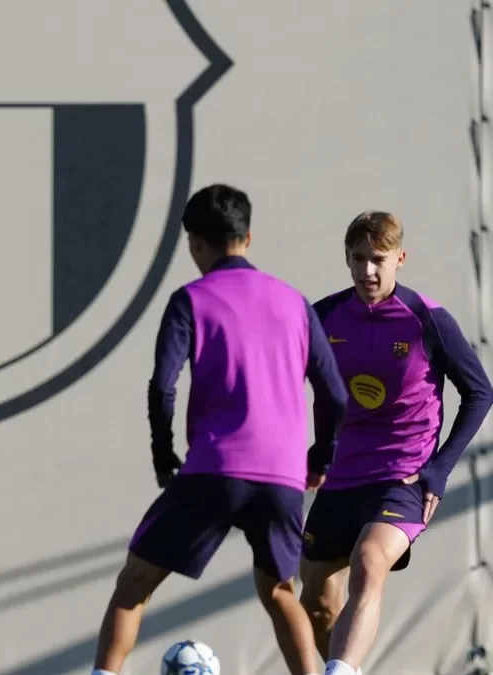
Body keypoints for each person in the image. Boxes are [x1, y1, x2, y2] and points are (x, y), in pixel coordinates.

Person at [91, 184, 349, 675]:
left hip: (215, 468)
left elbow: (163, 386)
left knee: (134, 584)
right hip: (282, 477)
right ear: (248, 237)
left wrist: (163, 452)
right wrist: (320, 457)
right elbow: (335, 394)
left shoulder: (190, 299)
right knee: (279, 591)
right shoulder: (294, 303)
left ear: (195, 244)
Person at [298, 211, 493, 675]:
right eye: (358, 259)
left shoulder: (427, 319)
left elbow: (480, 392)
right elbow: (289, 384)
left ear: (400, 259)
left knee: (369, 560)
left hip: (402, 478)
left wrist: (438, 470)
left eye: (378, 259)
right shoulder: (322, 317)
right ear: (347, 259)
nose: (367, 271)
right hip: (340, 478)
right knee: (317, 602)